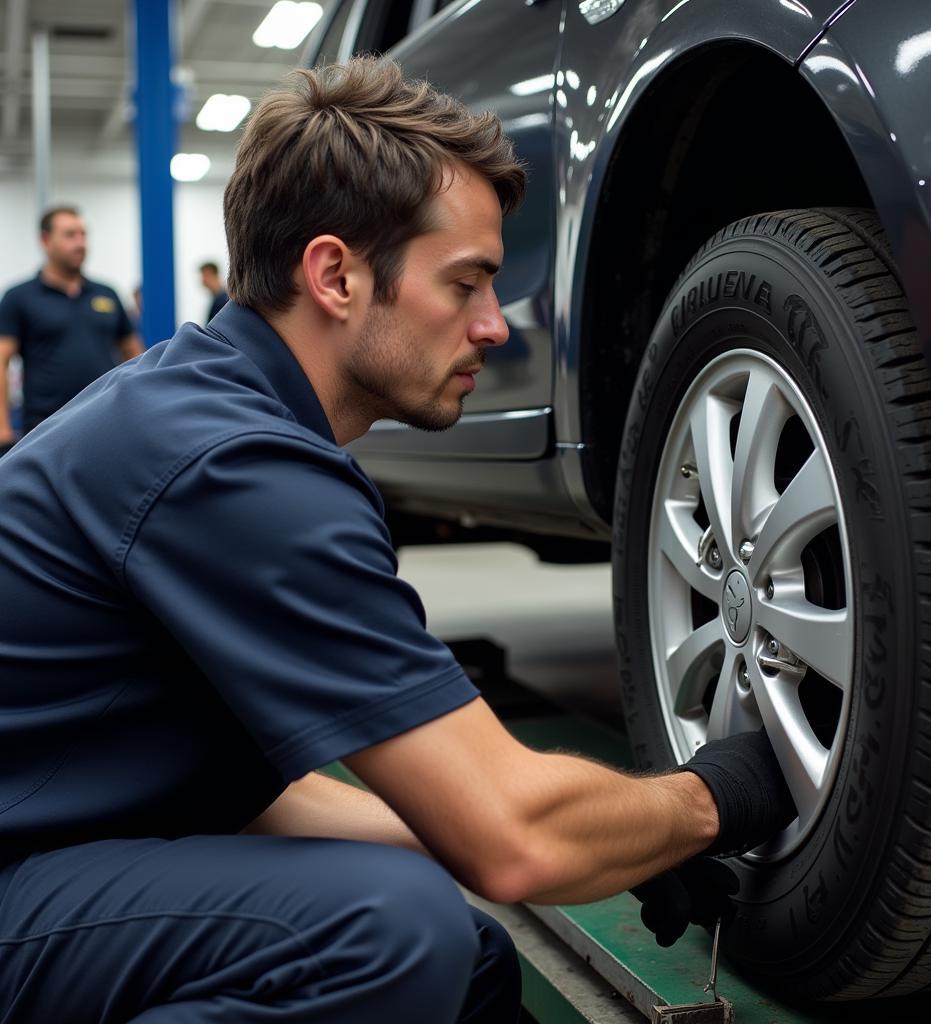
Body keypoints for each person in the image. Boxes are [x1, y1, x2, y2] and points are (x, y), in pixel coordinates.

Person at [0, 58, 794, 1023]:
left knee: (466, 961)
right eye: (465, 284)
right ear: (335, 274)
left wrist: (626, 843)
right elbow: (512, 841)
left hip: (50, 850)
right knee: (390, 933)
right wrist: (709, 799)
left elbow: (251, 801)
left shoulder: (205, 406)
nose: (496, 327)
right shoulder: (233, 469)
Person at [0, 206, 143, 452]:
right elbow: (2, 360)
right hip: (45, 428)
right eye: (70, 235)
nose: (80, 243)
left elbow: (135, 354)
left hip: (106, 420)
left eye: (83, 234)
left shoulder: (106, 294)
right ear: (45, 240)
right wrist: (2, 428)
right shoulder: (20, 297)